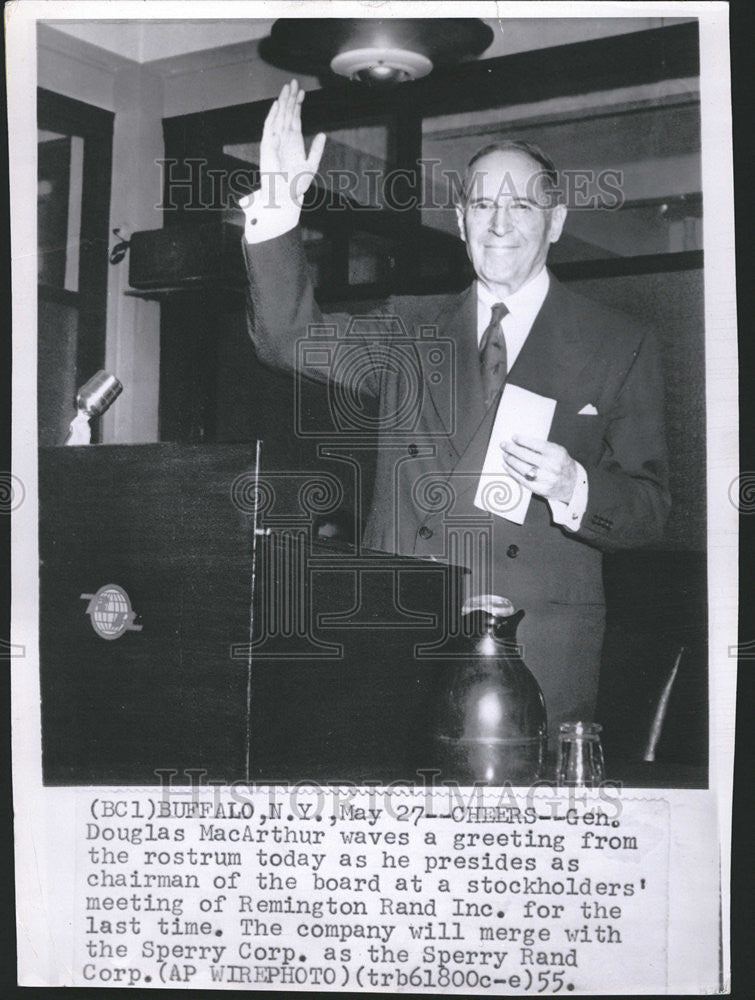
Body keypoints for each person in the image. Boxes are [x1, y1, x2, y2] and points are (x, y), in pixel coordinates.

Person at [240, 80, 670, 738]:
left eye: (521, 205)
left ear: (554, 221)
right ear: (460, 219)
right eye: (481, 205)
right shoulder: (409, 328)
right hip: (401, 647)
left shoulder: (619, 341)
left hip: (536, 660)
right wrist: (277, 213)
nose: (500, 224)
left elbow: (649, 512)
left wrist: (572, 486)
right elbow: (287, 338)